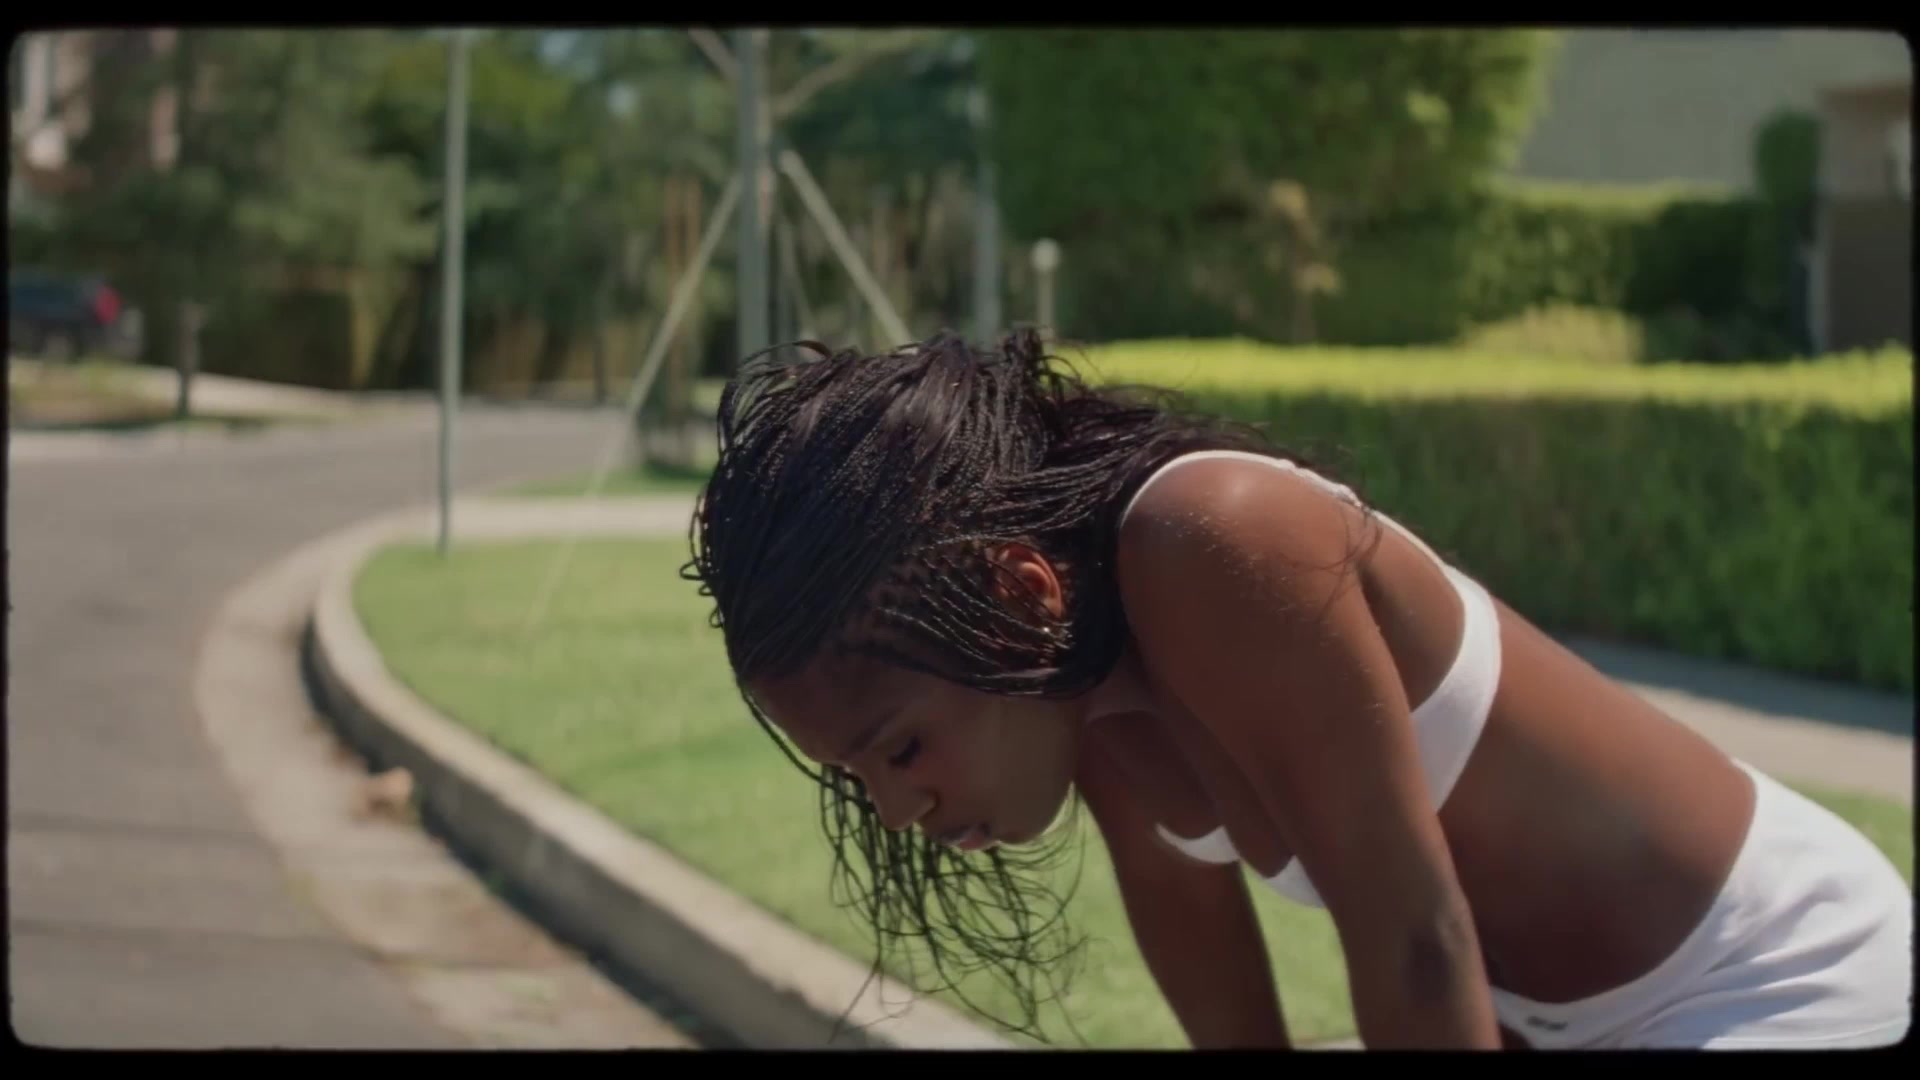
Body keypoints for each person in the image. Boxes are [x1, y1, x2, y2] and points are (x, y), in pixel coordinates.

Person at [682, 329, 1912, 1050]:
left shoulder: (1215, 539)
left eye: (899, 749)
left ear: (1016, 593)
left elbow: (1417, 940)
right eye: (860, 777)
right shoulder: (1077, 701)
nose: (898, 811)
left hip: (1776, 976)